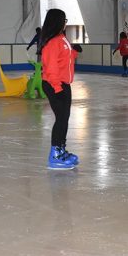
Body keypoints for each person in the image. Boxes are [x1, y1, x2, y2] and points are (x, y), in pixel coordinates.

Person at [40, 9, 82, 170]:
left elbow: (64, 60)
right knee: (61, 119)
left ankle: (61, 150)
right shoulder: (52, 42)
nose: (66, 22)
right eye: (64, 19)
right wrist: (57, 88)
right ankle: (55, 156)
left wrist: (74, 52)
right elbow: (51, 68)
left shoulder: (62, 38)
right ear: (57, 21)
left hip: (64, 83)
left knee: (64, 119)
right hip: (54, 84)